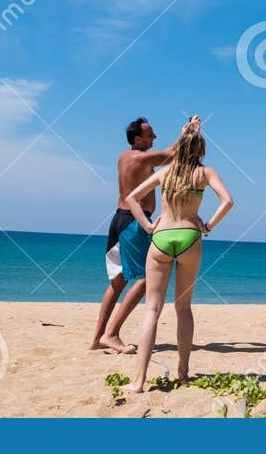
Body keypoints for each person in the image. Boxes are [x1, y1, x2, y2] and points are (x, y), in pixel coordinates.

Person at [127, 122, 233, 388]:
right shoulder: (205, 173)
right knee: (183, 308)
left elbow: (132, 198)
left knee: (152, 308)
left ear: (180, 148)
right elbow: (228, 201)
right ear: (201, 149)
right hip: (189, 237)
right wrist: (207, 226)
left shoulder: (166, 172)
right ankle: (183, 372)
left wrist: (149, 226)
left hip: (161, 237)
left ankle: (139, 380)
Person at [91, 116, 195, 353]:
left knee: (118, 282)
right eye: (150, 135)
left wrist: (184, 132)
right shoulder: (141, 158)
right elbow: (173, 156)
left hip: (119, 219)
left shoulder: (126, 156)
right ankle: (112, 334)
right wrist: (189, 134)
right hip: (133, 222)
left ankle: (97, 338)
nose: (155, 137)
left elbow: (165, 152)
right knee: (146, 279)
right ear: (137, 139)